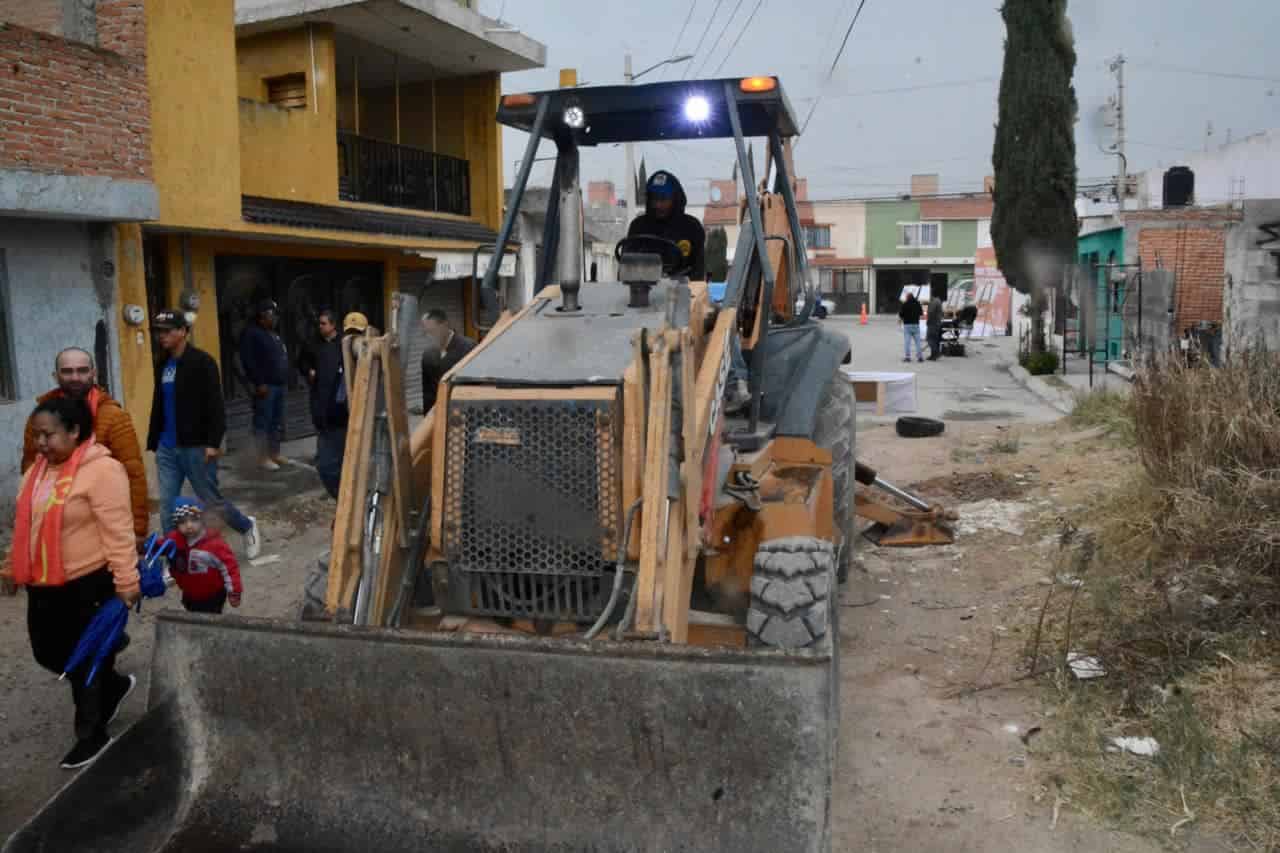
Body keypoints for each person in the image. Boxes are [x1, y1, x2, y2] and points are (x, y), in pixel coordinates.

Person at [5, 397, 139, 769]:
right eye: (36, 435)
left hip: (87, 583)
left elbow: (118, 531)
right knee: (47, 653)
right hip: (43, 583)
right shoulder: (36, 472)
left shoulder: (103, 470)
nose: (40, 443)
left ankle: (92, 734)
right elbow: (26, 527)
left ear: (75, 431)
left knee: (83, 661)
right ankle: (114, 685)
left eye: (48, 435)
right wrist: (11, 568)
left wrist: (127, 580)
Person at [147, 309, 261, 559]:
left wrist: (213, 442)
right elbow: (159, 402)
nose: (161, 336)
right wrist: (154, 438)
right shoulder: (163, 364)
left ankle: (246, 526)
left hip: (196, 446)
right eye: (158, 332)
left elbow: (215, 405)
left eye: (167, 331)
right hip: (167, 447)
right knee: (167, 506)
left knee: (210, 500)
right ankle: (175, 558)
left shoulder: (203, 362)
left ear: (183, 331)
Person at [22, 348, 149, 545]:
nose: (75, 377)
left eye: (82, 370)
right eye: (67, 371)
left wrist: (138, 529)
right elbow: (31, 466)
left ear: (93, 373)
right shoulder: (40, 417)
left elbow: (134, 473)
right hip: (51, 520)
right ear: (55, 376)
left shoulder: (113, 416)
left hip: (100, 520)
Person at [164, 497, 242, 614]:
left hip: (213, 595)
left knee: (210, 619)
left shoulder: (215, 544)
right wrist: (147, 546)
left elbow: (230, 568)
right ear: (177, 524)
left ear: (202, 520)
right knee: (191, 611)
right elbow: (162, 545)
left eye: (194, 520)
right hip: (189, 592)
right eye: (183, 522)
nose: (189, 525)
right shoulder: (176, 539)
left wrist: (234, 591)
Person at [301, 309, 349, 499]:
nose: (320, 327)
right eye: (319, 323)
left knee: (340, 460)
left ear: (333, 325)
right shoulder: (314, 344)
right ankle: (340, 495)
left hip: (341, 412)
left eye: (324, 323)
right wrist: (309, 371)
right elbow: (302, 361)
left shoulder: (345, 345)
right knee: (326, 465)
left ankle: (345, 495)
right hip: (323, 409)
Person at [238, 299, 290, 471]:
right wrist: (259, 382)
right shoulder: (252, 333)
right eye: (272, 315)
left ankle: (274, 453)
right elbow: (248, 361)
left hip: (278, 385)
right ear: (262, 316)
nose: (275, 318)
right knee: (263, 422)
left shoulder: (273, 334)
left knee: (276, 421)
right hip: (266, 386)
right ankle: (262, 457)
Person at [626, 170, 706, 280]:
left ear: (675, 199)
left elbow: (698, 271)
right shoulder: (638, 227)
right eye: (654, 198)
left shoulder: (692, 228)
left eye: (663, 199)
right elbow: (626, 268)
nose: (658, 205)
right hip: (643, 288)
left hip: (682, 289)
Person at [420, 309, 475, 416]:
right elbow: (428, 393)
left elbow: (475, 387)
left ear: (444, 325)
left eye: (432, 331)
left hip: (462, 412)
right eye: (426, 333)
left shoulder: (468, 348)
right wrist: (428, 418)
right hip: (438, 413)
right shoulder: (428, 354)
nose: (429, 337)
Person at [899, 291, 925, 363]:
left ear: (907, 297)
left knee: (907, 342)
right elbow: (921, 313)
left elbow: (901, 314)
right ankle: (920, 357)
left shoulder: (905, 304)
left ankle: (907, 357)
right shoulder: (917, 304)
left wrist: (901, 319)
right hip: (916, 324)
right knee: (918, 342)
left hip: (907, 325)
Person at [927, 290, 944, 361]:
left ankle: (936, 353)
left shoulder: (934, 302)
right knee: (935, 339)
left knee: (930, 339)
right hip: (937, 323)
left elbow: (931, 312)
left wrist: (928, 321)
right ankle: (933, 355)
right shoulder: (938, 301)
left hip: (933, 323)